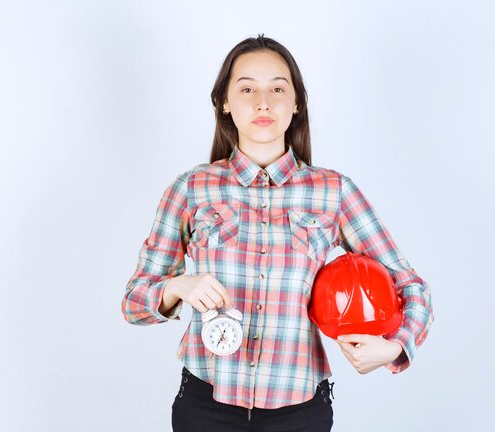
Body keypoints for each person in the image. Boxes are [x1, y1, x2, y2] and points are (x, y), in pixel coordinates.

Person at [122, 34, 434, 432]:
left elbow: (411, 285)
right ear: (224, 103)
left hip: (300, 412)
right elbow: (134, 301)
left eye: (277, 88)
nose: (263, 102)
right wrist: (179, 286)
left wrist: (394, 348)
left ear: (297, 103)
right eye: (247, 88)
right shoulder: (191, 189)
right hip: (206, 406)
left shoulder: (334, 192)